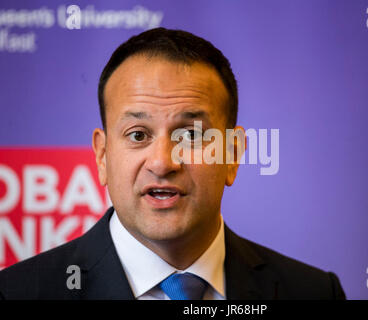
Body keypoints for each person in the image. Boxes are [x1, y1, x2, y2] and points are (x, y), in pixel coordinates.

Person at [0, 28, 346, 300]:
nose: (163, 162)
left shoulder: (312, 292)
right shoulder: (18, 292)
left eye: (191, 135)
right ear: (102, 156)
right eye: (138, 135)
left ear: (233, 155)